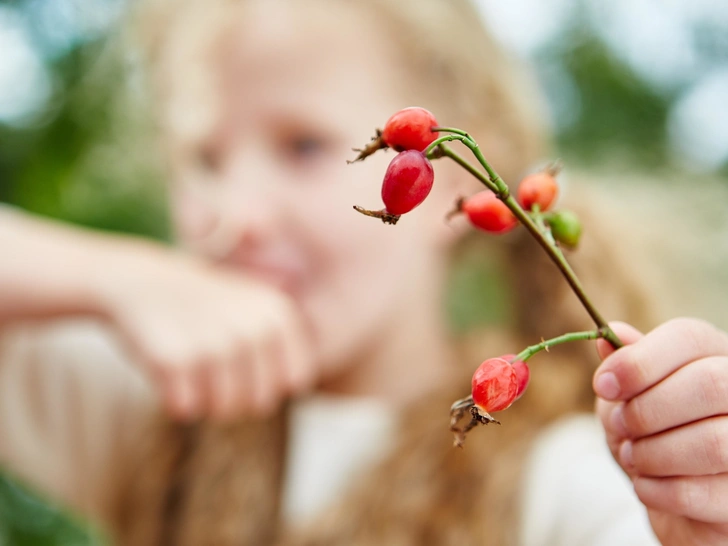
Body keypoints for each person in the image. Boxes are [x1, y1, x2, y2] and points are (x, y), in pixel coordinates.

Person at [1, 0, 727, 544]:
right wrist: (115, 277)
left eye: (303, 145)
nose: (235, 213)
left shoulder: (568, 481)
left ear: (454, 179)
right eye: (203, 158)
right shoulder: (165, 407)